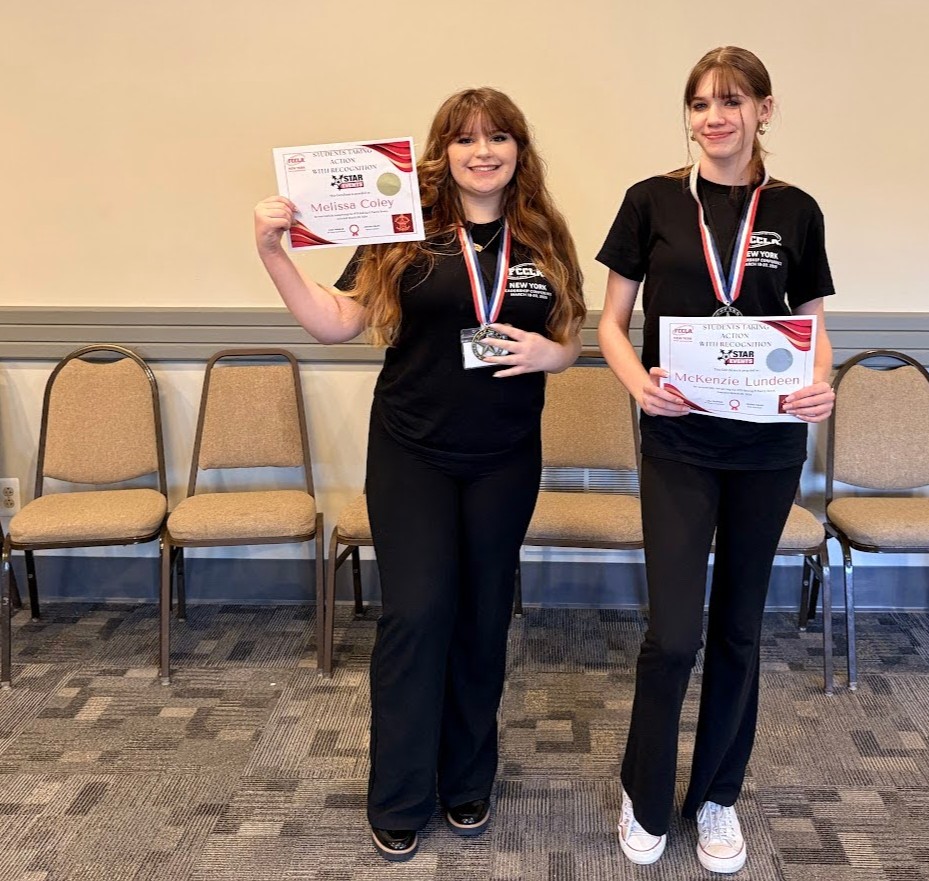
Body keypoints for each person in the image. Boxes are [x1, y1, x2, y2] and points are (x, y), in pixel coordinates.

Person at [253, 87, 585, 862]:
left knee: (481, 615)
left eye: (499, 137)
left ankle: (467, 776)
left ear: (518, 151)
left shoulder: (542, 234)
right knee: (417, 615)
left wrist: (550, 355)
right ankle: (400, 791)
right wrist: (274, 253)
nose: (483, 152)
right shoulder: (400, 226)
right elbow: (336, 321)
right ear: (442, 151)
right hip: (413, 451)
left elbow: (566, 332)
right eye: (466, 139)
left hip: (505, 456)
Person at [596, 47, 836, 874]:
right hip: (679, 441)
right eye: (699, 103)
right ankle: (645, 789)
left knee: (738, 628)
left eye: (731, 101)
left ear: (764, 109)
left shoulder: (796, 210)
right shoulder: (652, 201)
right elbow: (611, 324)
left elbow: (811, 325)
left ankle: (718, 796)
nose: (714, 117)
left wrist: (823, 385)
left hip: (768, 446)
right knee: (672, 634)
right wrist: (640, 387)